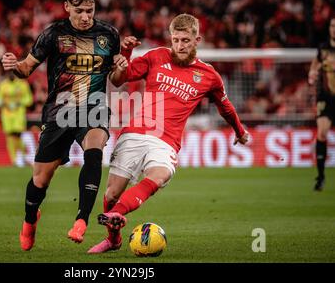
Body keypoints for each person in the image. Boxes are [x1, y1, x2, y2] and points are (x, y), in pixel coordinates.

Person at [87, 13, 249, 254]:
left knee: (160, 174)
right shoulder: (155, 57)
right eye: (176, 40)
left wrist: (240, 131)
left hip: (166, 142)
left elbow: (225, 107)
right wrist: (127, 55)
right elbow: (119, 79)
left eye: (185, 40)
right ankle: (113, 239)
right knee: (111, 194)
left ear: (197, 40)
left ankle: (116, 215)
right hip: (135, 133)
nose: (180, 45)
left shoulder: (209, 76)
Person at [1, 0, 125, 250]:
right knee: (40, 179)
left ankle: (81, 219)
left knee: (95, 148)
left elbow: (116, 79)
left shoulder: (109, 35)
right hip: (60, 112)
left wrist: (122, 64)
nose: (85, 17)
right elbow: (25, 69)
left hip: (94, 108)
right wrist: (13, 65)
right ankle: (30, 219)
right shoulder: (53, 35)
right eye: (79, 10)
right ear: (66, 6)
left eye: (90, 11)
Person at [308, 16, 335, 191]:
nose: (334, 28)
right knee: (322, 132)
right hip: (326, 97)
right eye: (332, 25)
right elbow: (314, 66)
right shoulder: (323, 49)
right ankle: (321, 177)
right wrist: (312, 74)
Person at [0, 71, 33, 167]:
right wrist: (4, 103)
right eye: (9, 73)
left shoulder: (22, 84)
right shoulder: (2, 85)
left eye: (13, 72)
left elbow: (29, 99)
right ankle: (14, 160)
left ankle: (23, 156)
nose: (11, 74)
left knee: (18, 135)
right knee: (10, 136)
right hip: (7, 115)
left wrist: (19, 102)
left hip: (19, 114)